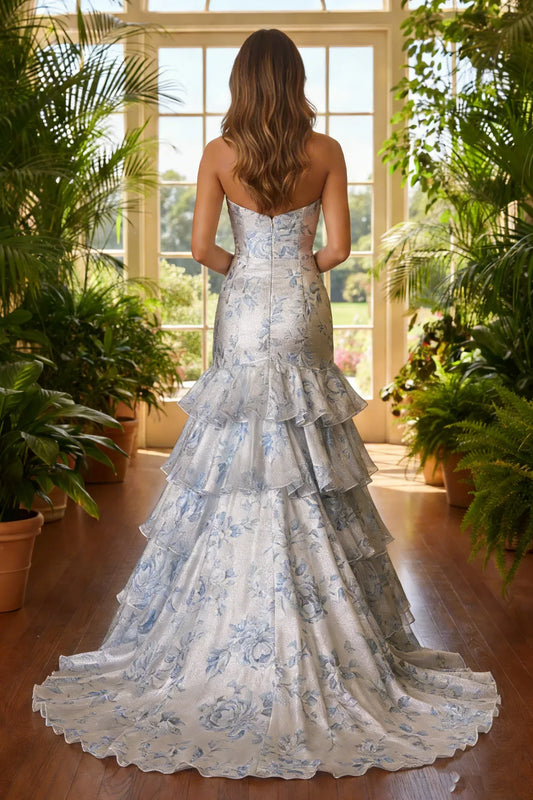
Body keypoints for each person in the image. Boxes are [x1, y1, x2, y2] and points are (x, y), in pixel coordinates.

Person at [32, 28, 500, 779]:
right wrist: (295, 268)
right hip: (302, 301)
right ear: (294, 79)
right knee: (307, 450)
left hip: (246, 302)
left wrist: (250, 268)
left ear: (244, 82)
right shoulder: (325, 152)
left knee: (238, 447)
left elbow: (201, 248)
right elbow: (340, 248)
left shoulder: (219, 153)